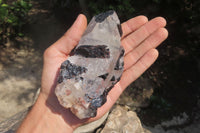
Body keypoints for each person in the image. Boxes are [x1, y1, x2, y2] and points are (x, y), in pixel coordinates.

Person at [16, 14, 168, 133]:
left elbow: (112, 71)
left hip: (82, 93)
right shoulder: (105, 49)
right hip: (75, 91)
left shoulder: (110, 51)